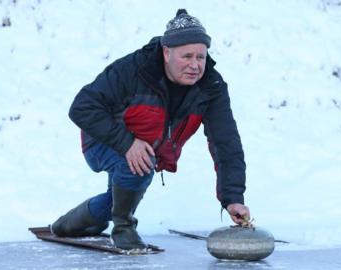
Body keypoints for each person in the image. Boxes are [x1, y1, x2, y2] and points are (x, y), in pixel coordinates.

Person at [51, 9, 250, 250]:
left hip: (145, 148)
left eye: (201, 57)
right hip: (102, 139)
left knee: (118, 196)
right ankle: (123, 228)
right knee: (141, 163)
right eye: (186, 56)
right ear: (167, 52)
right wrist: (126, 144)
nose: (195, 65)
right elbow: (82, 107)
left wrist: (233, 199)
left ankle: (66, 225)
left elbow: (225, 142)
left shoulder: (211, 87)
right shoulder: (133, 70)